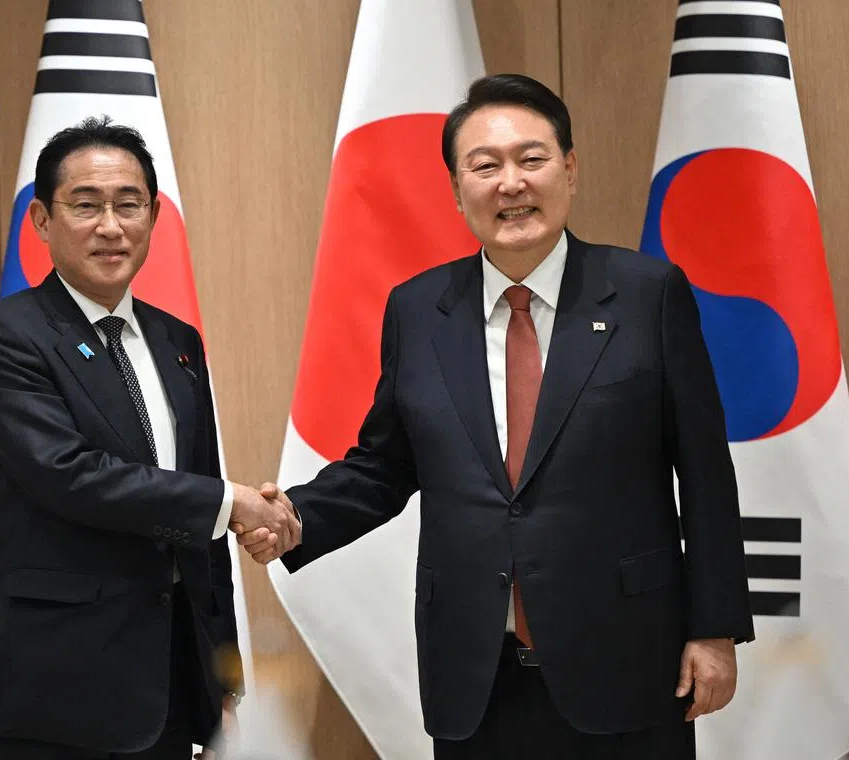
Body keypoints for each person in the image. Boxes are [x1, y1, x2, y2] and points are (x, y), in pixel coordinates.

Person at [244, 75, 753, 758]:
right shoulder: (418, 310)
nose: (510, 183)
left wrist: (714, 627)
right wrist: (297, 517)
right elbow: (385, 466)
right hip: (477, 674)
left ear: (569, 169)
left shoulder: (645, 294)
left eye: (532, 159)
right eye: (484, 166)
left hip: (626, 660)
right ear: (457, 190)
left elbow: (706, 473)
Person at [0, 116, 299, 760]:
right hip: (51, 682)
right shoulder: (5, 336)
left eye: (129, 204)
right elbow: (67, 473)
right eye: (85, 205)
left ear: (154, 218)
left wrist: (224, 678)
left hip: (166, 683)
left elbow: (201, 525)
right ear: (43, 222)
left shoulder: (176, 342)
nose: (111, 226)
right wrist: (232, 503)